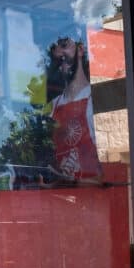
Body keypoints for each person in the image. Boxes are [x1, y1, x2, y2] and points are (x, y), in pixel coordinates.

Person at [46, 34, 103, 184]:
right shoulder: (52, 107)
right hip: (61, 200)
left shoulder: (95, 100)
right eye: (56, 55)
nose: (61, 54)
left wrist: (72, 183)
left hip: (92, 200)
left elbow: (105, 172)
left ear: (80, 50)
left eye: (64, 45)